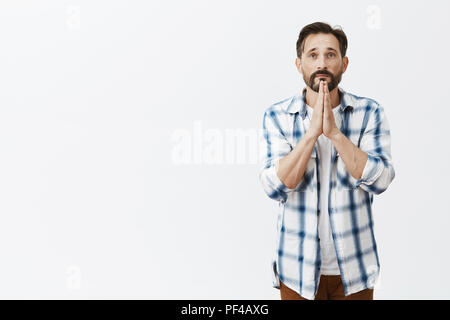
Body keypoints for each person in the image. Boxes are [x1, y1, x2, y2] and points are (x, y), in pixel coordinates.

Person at [259, 21, 395, 300]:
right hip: (296, 272)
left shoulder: (369, 112)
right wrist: (311, 134)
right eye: (313, 55)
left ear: (344, 64)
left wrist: (333, 133)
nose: (322, 62)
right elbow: (274, 186)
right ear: (299, 64)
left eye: (331, 54)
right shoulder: (277, 116)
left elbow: (381, 180)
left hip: (355, 272)